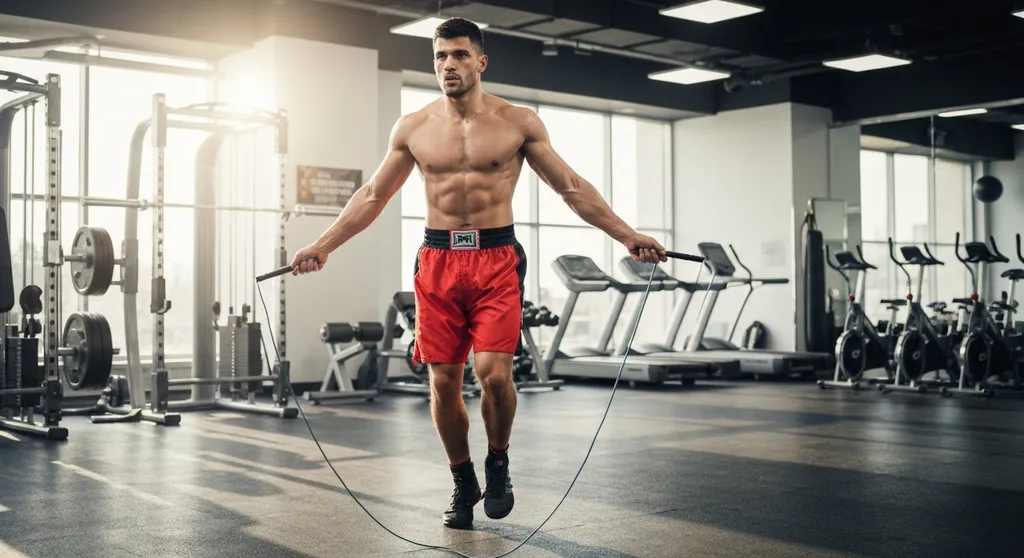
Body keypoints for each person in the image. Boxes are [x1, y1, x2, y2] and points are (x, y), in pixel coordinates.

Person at [289, 17, 667, 529]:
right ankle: (463, 480)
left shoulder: (517, 122)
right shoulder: (414, 128)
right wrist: (323, 245)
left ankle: (498, 461)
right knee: (442, 383)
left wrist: (627, 235)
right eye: (441, 56)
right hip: (438, 260)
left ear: (481, 61)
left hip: (495, 259)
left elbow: (571, 187)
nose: (449, 65)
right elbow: (374, 196)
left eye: (460, 55)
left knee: (493, 379)